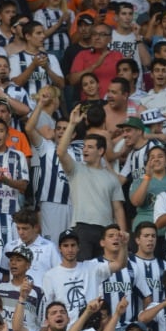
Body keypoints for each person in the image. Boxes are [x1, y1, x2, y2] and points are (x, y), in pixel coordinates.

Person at [57, 106, 126, 260]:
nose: (84, 150)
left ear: (101, 151)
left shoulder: (111, 178)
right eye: (84, 147)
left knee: (105, 274)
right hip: (82, 228)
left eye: (89, 147)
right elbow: (61, 152)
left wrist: (121, 233)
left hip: (106, 231)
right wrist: (72, 124)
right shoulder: (76, 169)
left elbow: (118, 209)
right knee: (85, 273)